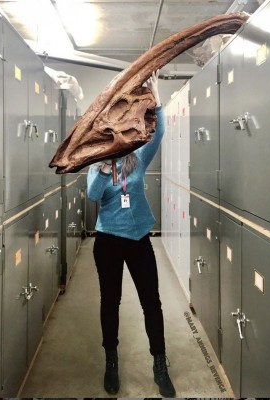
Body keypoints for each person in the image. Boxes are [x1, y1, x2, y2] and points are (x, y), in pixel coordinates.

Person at [87, 69, 176, 398]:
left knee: (151, 302)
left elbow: (160, 133)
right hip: (108, 241)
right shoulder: (97, 163)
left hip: (139, 238)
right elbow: (94, 196)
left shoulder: (138, 158)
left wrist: (157, 96)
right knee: (110, 302)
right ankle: (111, 360)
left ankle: (160, 364)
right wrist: (104, 166)